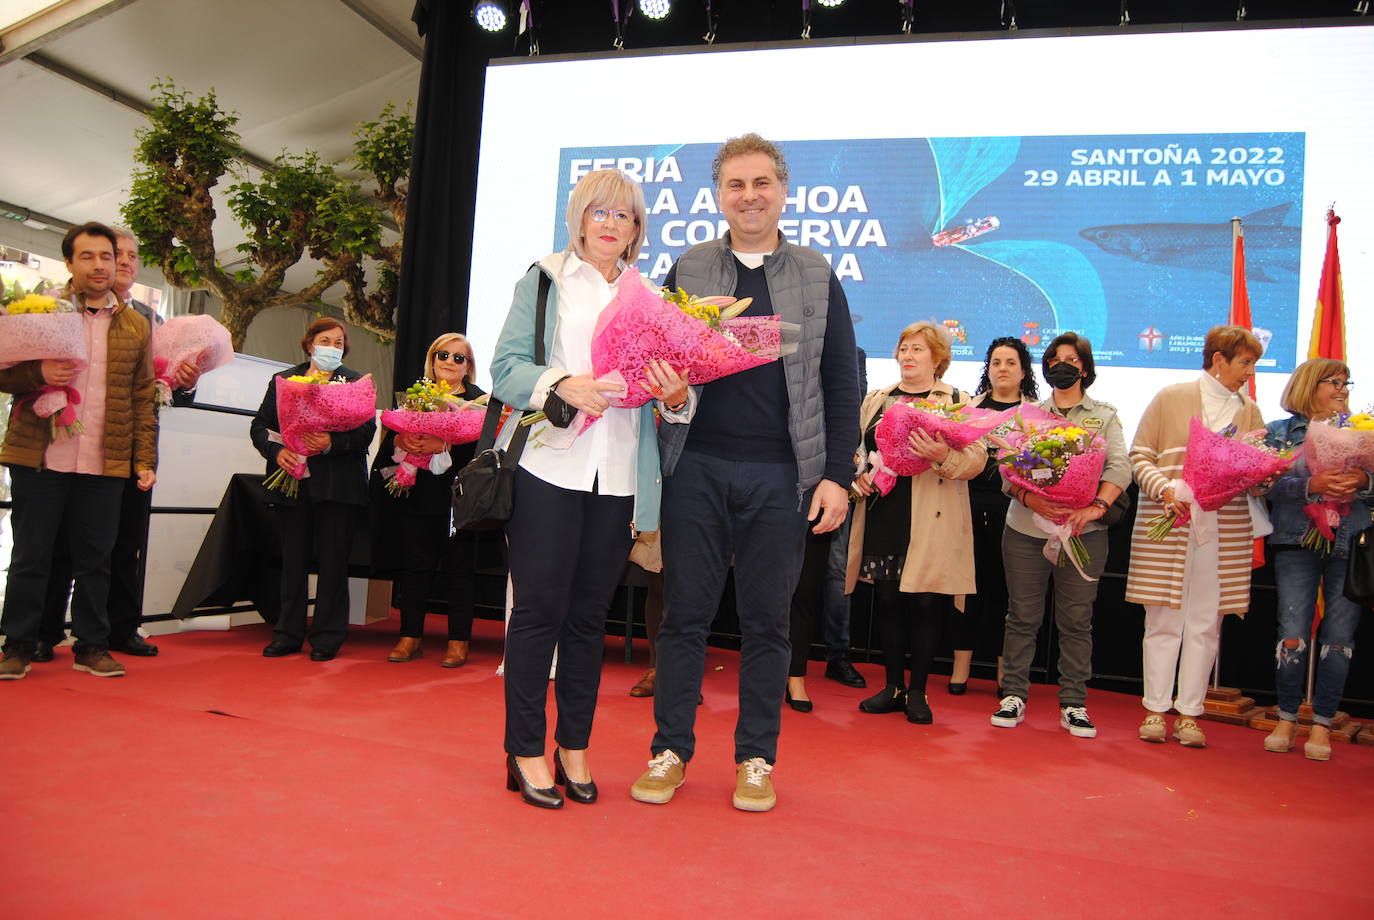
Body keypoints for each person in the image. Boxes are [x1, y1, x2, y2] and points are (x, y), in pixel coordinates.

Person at [630, 134, 859, 813]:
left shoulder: (816, 275)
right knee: (683, 619)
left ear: (783, 192)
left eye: (761, 183)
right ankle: (670, 749)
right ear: (719, 195)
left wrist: (836, 475)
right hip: (695, 466)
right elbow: (660, 368)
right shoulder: (690, 267)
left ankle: (756, 758)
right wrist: (669, 396)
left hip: (782, 477)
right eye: (736, 184)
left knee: (768, 624)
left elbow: (840, 383)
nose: (749, 196)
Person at [491, 168, 685, 809]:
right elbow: (504, 369)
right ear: (578, 217)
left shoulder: (650, 298)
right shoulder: (544, 281)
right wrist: (560, 385)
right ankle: (523, 750)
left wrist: (674, 393)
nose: (610, 223)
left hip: (620, 476)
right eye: (598, 210)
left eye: (624, 215)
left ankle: (573, 746)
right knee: (538, 616)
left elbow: (666, 397)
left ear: (636, 230)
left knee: (586, 622)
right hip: (550, 467)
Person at [0, 222, 158, 681]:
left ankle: (91, 645)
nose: (99, 265)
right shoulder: (42, 311)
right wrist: (40, 372)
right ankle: (19, 645)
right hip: (42, 455)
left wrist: (144, 459)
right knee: (31, 555)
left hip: (104, 460)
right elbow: (5, 376)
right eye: (87, 257)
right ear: (69, 262)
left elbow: (143, 395)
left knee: (98, 558)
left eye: (106, 257)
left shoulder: (136, 323)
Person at [34, 227, 199, 663]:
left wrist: (185, 382)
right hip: (70, 444)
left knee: (123, 544)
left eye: (130, 255)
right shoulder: (56, 305)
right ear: (83, 262)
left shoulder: (149, 318)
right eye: (113, 254)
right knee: (59, 544)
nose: (122, 262)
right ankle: (43, 629)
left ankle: (119, 629)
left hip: (132, 446)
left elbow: (161, 388)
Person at [1126, 325, 1266, 748]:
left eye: (1253, 364)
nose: (1248, 372)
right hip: (1170, 523)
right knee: (1163, 620)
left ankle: (1189, 713)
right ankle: (1154, 709)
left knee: (1207, 624)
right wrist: (1166, 489)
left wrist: (1262, 477)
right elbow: (1139, 455)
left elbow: (1258, 476)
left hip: (1224, 531)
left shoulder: (1250, 412)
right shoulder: (1171, 397)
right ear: (1218, 359)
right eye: (1244, 363)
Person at [990, 333, 1129, 738]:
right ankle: (1013, 693)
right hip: (1026, 529)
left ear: (1084, 368)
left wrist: (1094, 507)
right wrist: (1032, 500)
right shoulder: (1027, 413)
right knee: (1022, 616)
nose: (1060, 365)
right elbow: (1006, 471)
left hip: (1084, 533)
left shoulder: (1104, 415)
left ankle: (1074, 702)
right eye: (1053, 359)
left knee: (1076, 620)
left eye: (1070, 360)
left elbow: (1119, 468)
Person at [845, 321, 983, 725]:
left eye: (918, 349)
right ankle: (893, 687)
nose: (908, 356)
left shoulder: (956, 399)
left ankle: (919, 691)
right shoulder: (877, 399)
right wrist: (857, 475)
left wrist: (942, 455)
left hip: (933, 516)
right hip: (885, 510)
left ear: (938, 358)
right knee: (887, 602)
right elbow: (857, 449)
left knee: (925, 603)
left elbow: (977, 460)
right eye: (904, 348)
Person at [1262, 359, 1372, 761]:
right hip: (1296, 543)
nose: (1343, 388)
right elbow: (1263, 487)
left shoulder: (1363, 428)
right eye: (1334, 382)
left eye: (1347, 382)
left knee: (1339, 639)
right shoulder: (1278, 432)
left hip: (1350, 542)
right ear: (1310, 385)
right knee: (1292, 632)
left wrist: (1364, 481)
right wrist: (1311, 485)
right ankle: (1287, 717)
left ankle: (1323, 723)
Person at [250, 317, 375, 662]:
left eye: (339, 343)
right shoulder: (283, 381)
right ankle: (287, 633)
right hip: (293, 481)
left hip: (338, 487)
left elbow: (366, 432)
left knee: (334, 563)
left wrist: (331, 441)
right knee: (293, 562)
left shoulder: (354, 383)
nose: (332, 347)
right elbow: (260, 426)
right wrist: (278, 451)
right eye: (326, 340)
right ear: (309, 344)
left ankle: (327, 636)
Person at [370, 333, 484, 668]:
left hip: (460, 499)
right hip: (419, 494)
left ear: (468, 367)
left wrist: (445, 446)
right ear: (432, 361)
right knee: (416, 566)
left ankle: (459, 641)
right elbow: (390, 442)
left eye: (458, 358)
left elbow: (487, 450)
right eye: (442, 355)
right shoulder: (416, 397)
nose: (449, 362)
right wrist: (402, 438)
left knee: (460, 570)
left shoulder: (479, 402)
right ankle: (410, 637)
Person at [957, 336, 1038, 694]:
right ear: (987, 370)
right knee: (966, 590)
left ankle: (1007, 674)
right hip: (968, 508)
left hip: (1016, 512)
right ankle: (960, 669)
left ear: (1023, 372)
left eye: (1010, 363)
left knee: (1008, 593)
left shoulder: (1037, 416)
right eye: (996, 362)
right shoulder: (967, 409)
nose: (1002, 369)